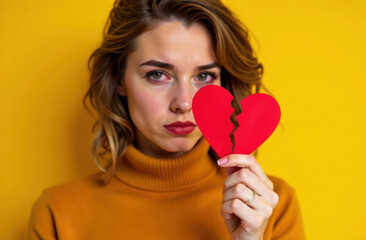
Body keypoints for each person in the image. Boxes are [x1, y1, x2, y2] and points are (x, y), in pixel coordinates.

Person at [25, 0, 305, 239]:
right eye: (157, 74)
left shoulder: (272, 207)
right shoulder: (58, 213)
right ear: (120, 79)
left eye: (204, 76)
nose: (183, 102)